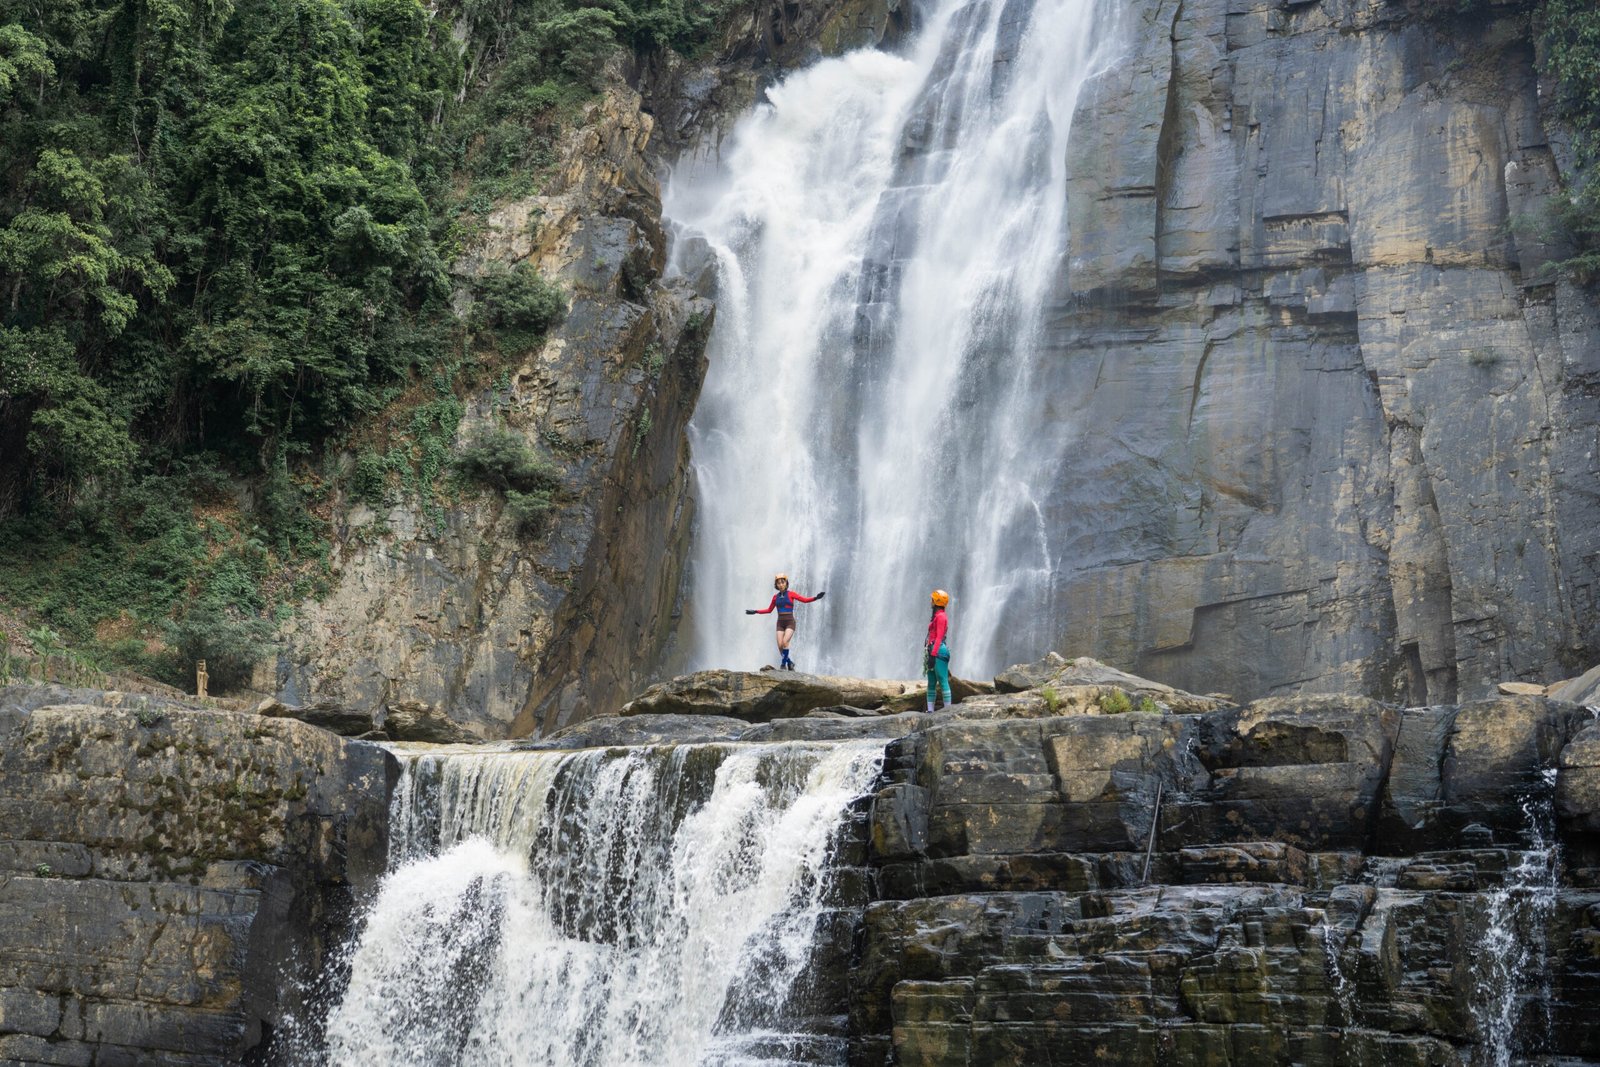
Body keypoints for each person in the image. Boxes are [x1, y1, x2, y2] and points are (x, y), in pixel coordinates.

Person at [746, 574, 825, 671]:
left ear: (786, 583)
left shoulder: (791, 594)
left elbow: (804, 600)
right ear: (776, 585)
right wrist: (755, 611)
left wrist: (816, 598)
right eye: (778, 583)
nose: (780, 585)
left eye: (782, 582)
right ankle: (790, 663)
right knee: (780, 646)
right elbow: (769, 610)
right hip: (780, 623)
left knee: (785, 642)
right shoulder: (775, 597)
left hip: (790, 622)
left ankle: (783, 665)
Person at [924, 589, 952, 712]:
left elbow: (939, 637)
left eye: (932, 599)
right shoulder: (937, 616)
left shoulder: (941, 617)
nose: (931, 601)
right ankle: (930, 711)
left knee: (942, 680)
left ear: (936, 601)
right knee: (931, 682)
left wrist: (933, 655)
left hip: (938, 651)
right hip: (932, 650)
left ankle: (948, 711)